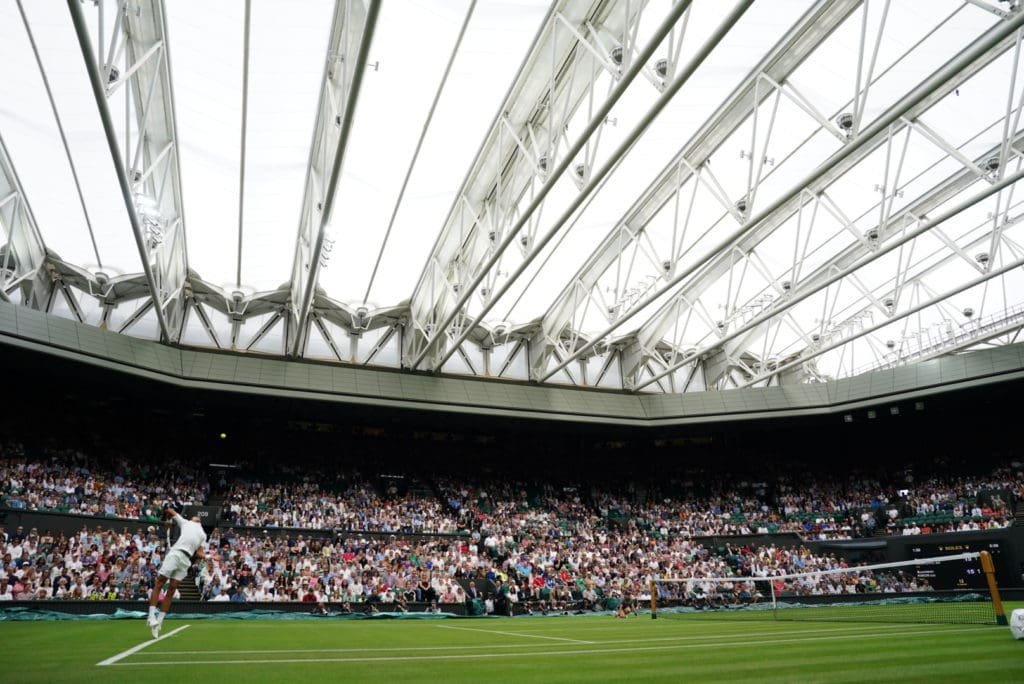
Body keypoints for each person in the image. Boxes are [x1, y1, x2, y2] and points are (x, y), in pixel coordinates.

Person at [147, 506, 206, 638]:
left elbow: (200, 552)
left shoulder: (203, 534)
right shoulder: (185, 522)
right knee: (160, 582)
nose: (197, 517)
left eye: (198, 517)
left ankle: (159, 623)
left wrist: (208, 557)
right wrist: (167, 516)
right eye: (195, 516)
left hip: (186, 560)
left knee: (172, 589)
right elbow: (169, 510)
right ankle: (151, 617)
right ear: (192, 519)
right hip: (176, 553)